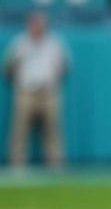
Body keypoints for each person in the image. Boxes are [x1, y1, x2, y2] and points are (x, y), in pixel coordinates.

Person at [3, 13, 70, 168]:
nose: (38, 28)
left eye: (41, 25)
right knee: (20, 129)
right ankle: (17, 165)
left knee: (53, 129)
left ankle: (56, 165)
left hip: (49, 92)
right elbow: (8, 67)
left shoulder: (55, 44)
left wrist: (55, 81)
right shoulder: (20, 43)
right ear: (30, 25)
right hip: (26, 92)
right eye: (35, 24)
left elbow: (65, 67)